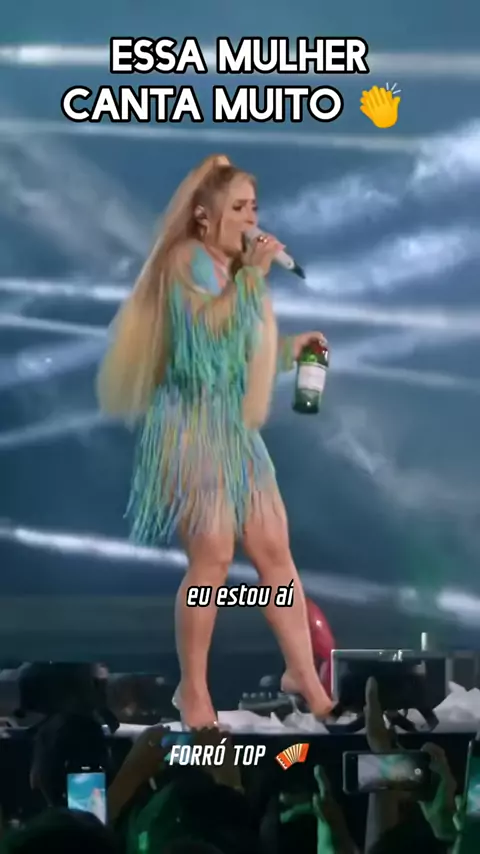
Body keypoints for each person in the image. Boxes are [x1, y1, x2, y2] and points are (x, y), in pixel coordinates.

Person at [96, 153, 333, 728]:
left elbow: (238, 358)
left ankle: (304, 675)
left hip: (234, 429)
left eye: (255, 207)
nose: (253, 219)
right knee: (214, 556)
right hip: (189, 426)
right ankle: (194, 690)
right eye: (240, 207)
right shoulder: (186, 262)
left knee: (274, 548)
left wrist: (293, 350)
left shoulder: (237, 274)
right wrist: (253, 277)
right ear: (205, 216)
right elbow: (202, 341)